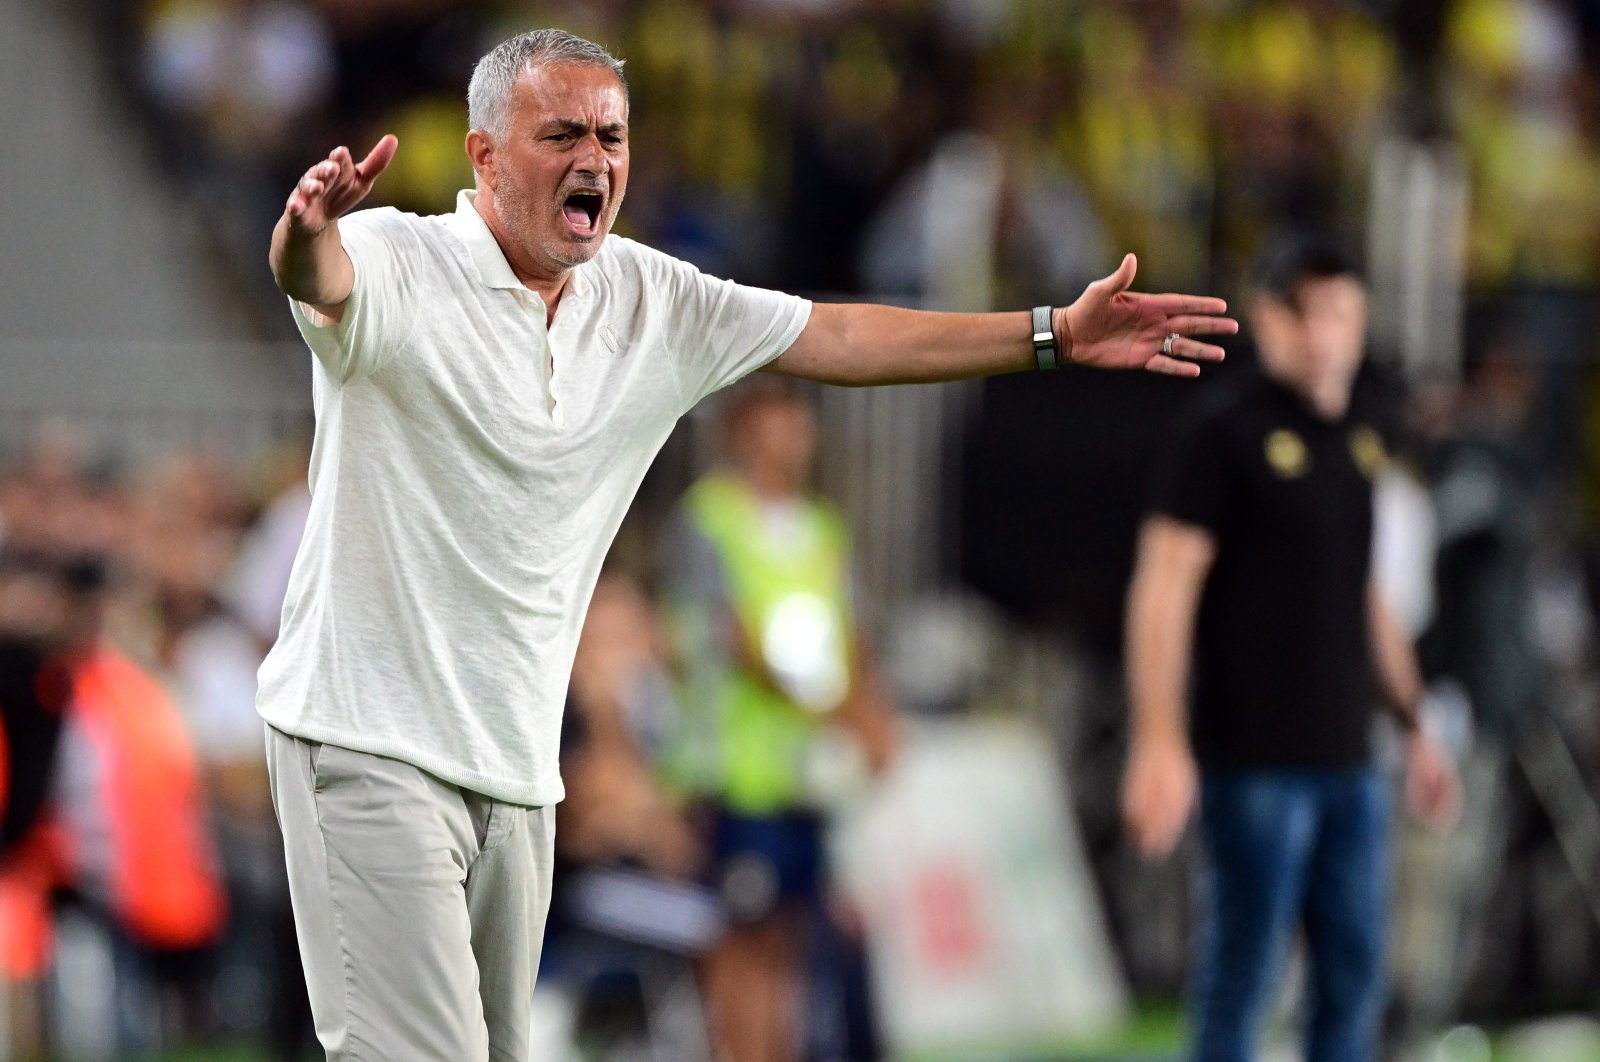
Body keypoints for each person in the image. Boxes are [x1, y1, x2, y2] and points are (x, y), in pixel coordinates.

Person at [262, 27, 1236, 1061]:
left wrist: (1050, 335)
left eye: (611, 135)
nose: (595, 158)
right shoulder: (402, 259)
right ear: (485, 157)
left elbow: (841, 335)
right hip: (364, 741)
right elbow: (319, 274)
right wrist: (305, 227)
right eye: (561, 134)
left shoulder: (655, 299)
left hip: (514, 771)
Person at [1119, 234, 1459, 1062]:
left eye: (1338, 311)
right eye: (1301, 312)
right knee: (1246, 974)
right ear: (1267, 319)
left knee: (1353, 976)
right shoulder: (1223, 433)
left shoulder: (1363, 435)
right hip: (1255, 756)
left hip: (1350, 755)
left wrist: (1414, 723)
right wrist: (1158, 736)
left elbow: (1363, 591)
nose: (1322, 334)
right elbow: (1164, 586)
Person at [662, 380, 893, 1062]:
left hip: (805, 776)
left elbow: (851, 636)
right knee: (739, 941)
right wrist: (827, 703)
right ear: (739, 432)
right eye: (774, 422)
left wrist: (869, 717)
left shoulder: (822, 528)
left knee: (792, 940)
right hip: (733, 770)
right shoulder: (708, 519)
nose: (791, 436)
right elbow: (725, 636)